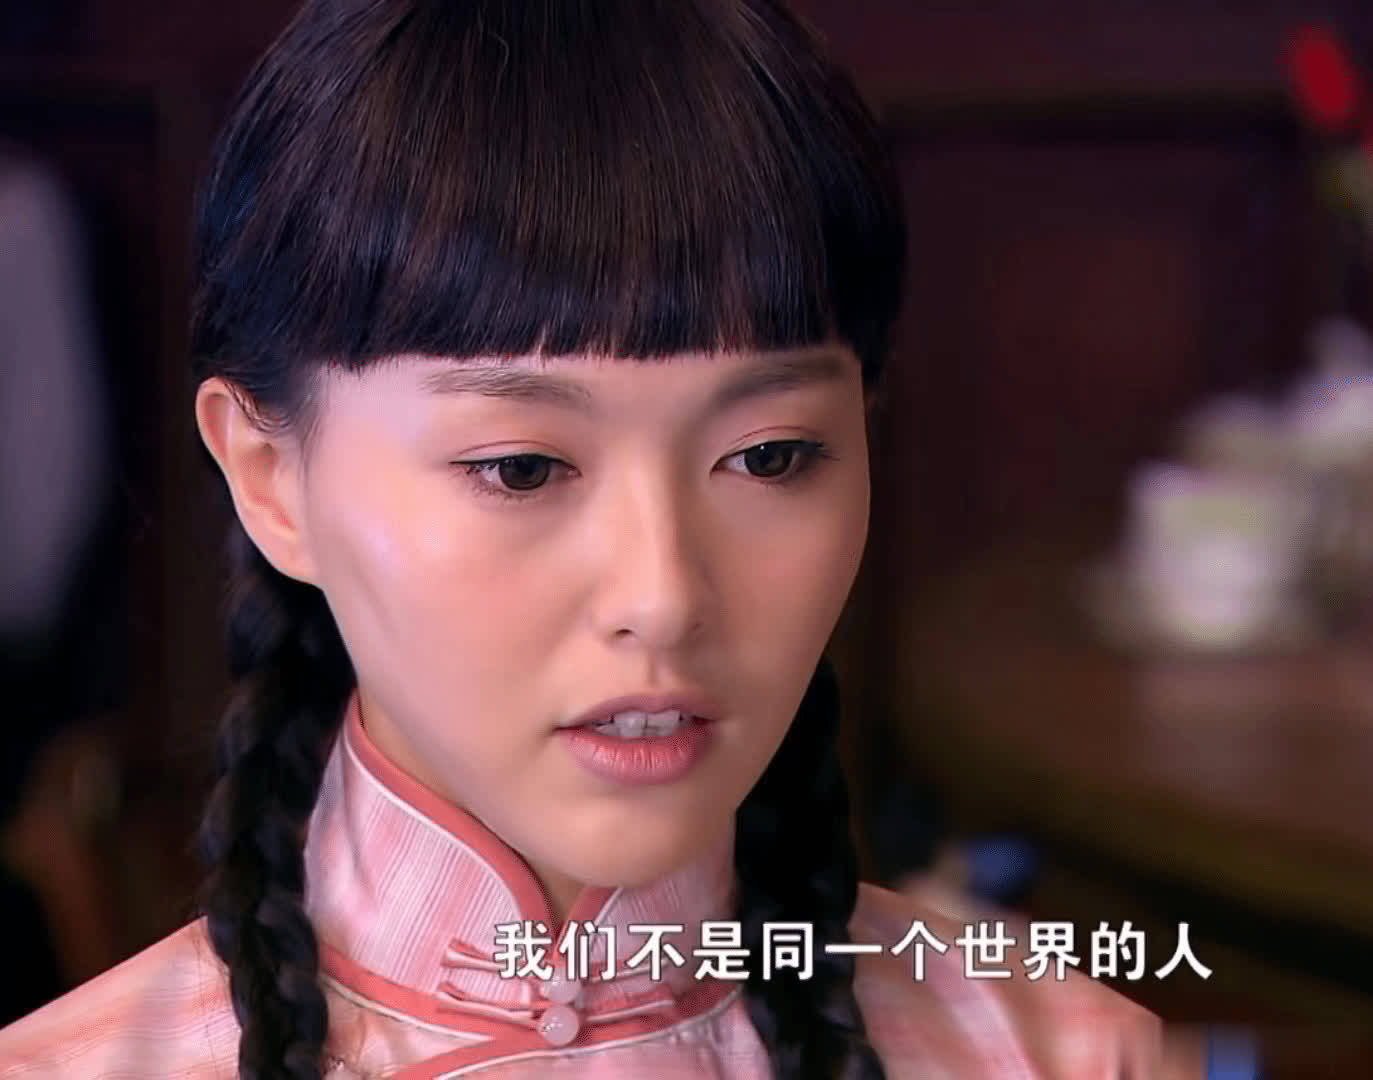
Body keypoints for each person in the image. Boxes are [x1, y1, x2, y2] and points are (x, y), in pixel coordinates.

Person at [0, 1, 1187, 1076]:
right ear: (271, 480)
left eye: (770, 456)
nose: (661, 594)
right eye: (521, 467)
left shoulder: (1066, 1056)